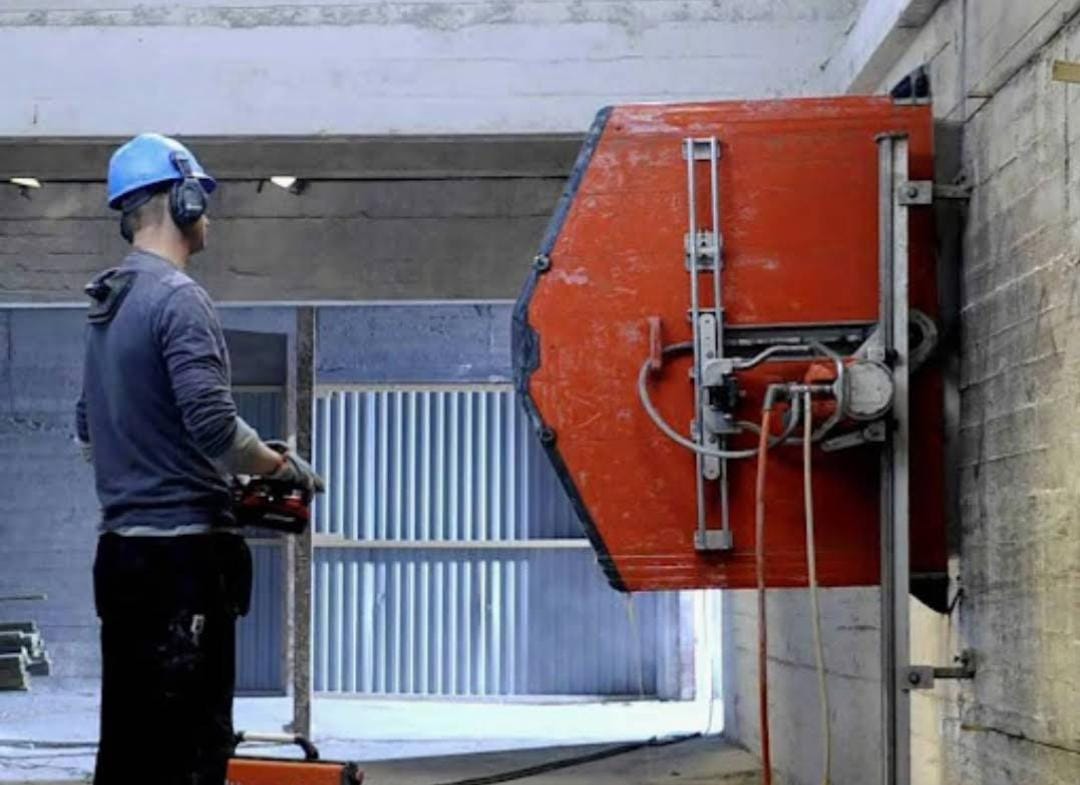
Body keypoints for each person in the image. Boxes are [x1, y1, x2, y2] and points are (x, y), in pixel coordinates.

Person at [75, 133, 324, 785]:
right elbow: (214, 427)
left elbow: (87, 430)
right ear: (181, 200)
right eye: (202, 198)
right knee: (190, 751)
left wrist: (152, 468)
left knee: (131, 749)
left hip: (122, 559)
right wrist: (280, 466)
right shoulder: (178, 298)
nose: (207, 213)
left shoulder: (107, 303)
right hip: (182, 565)